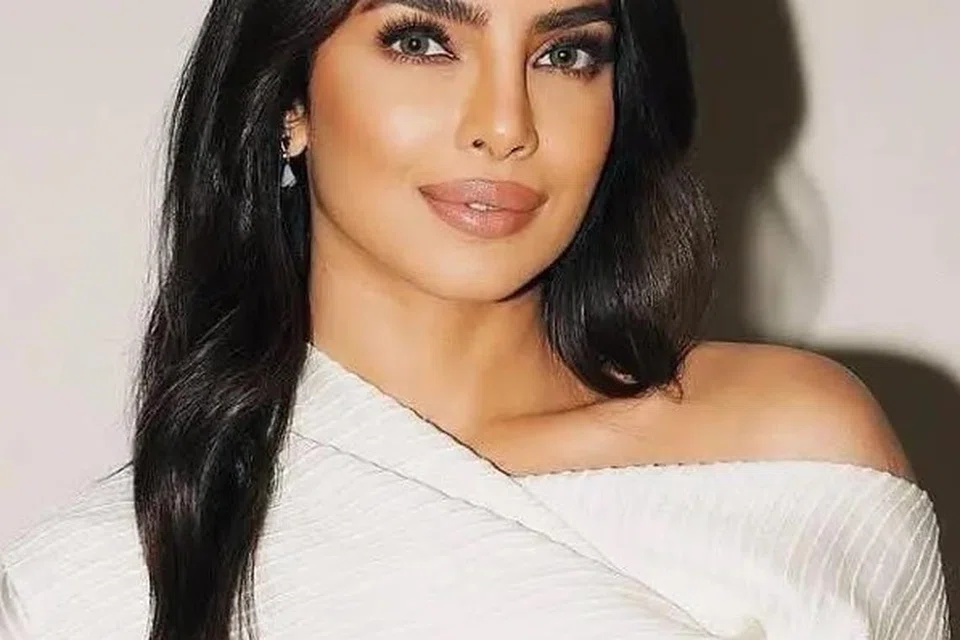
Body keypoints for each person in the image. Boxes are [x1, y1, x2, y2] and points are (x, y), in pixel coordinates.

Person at [0, 0, 950, 638]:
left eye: (566, 54)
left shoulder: (793, 457)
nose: (505, 124)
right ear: (289, 97)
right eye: (423, 41)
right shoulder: (97, 585)